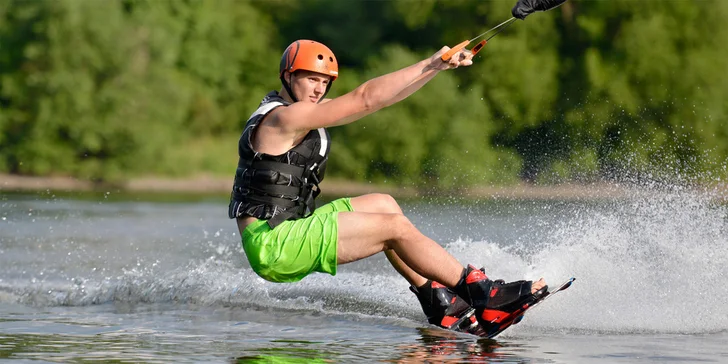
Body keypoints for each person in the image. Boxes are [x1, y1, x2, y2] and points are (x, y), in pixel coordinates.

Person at [228, 39, 547, 334]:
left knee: (383, 205)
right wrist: (430, 61)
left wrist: (435, 67)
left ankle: (439, 303)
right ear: (287, 75)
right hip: (274, 246)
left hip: (290, 231)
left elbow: (382, 100)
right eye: (311, 79)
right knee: (394, 228)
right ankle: (483, 294)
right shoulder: (283, 118)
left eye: (325, 82)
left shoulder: (290, 112)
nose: (319, 88)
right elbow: (366, 99)